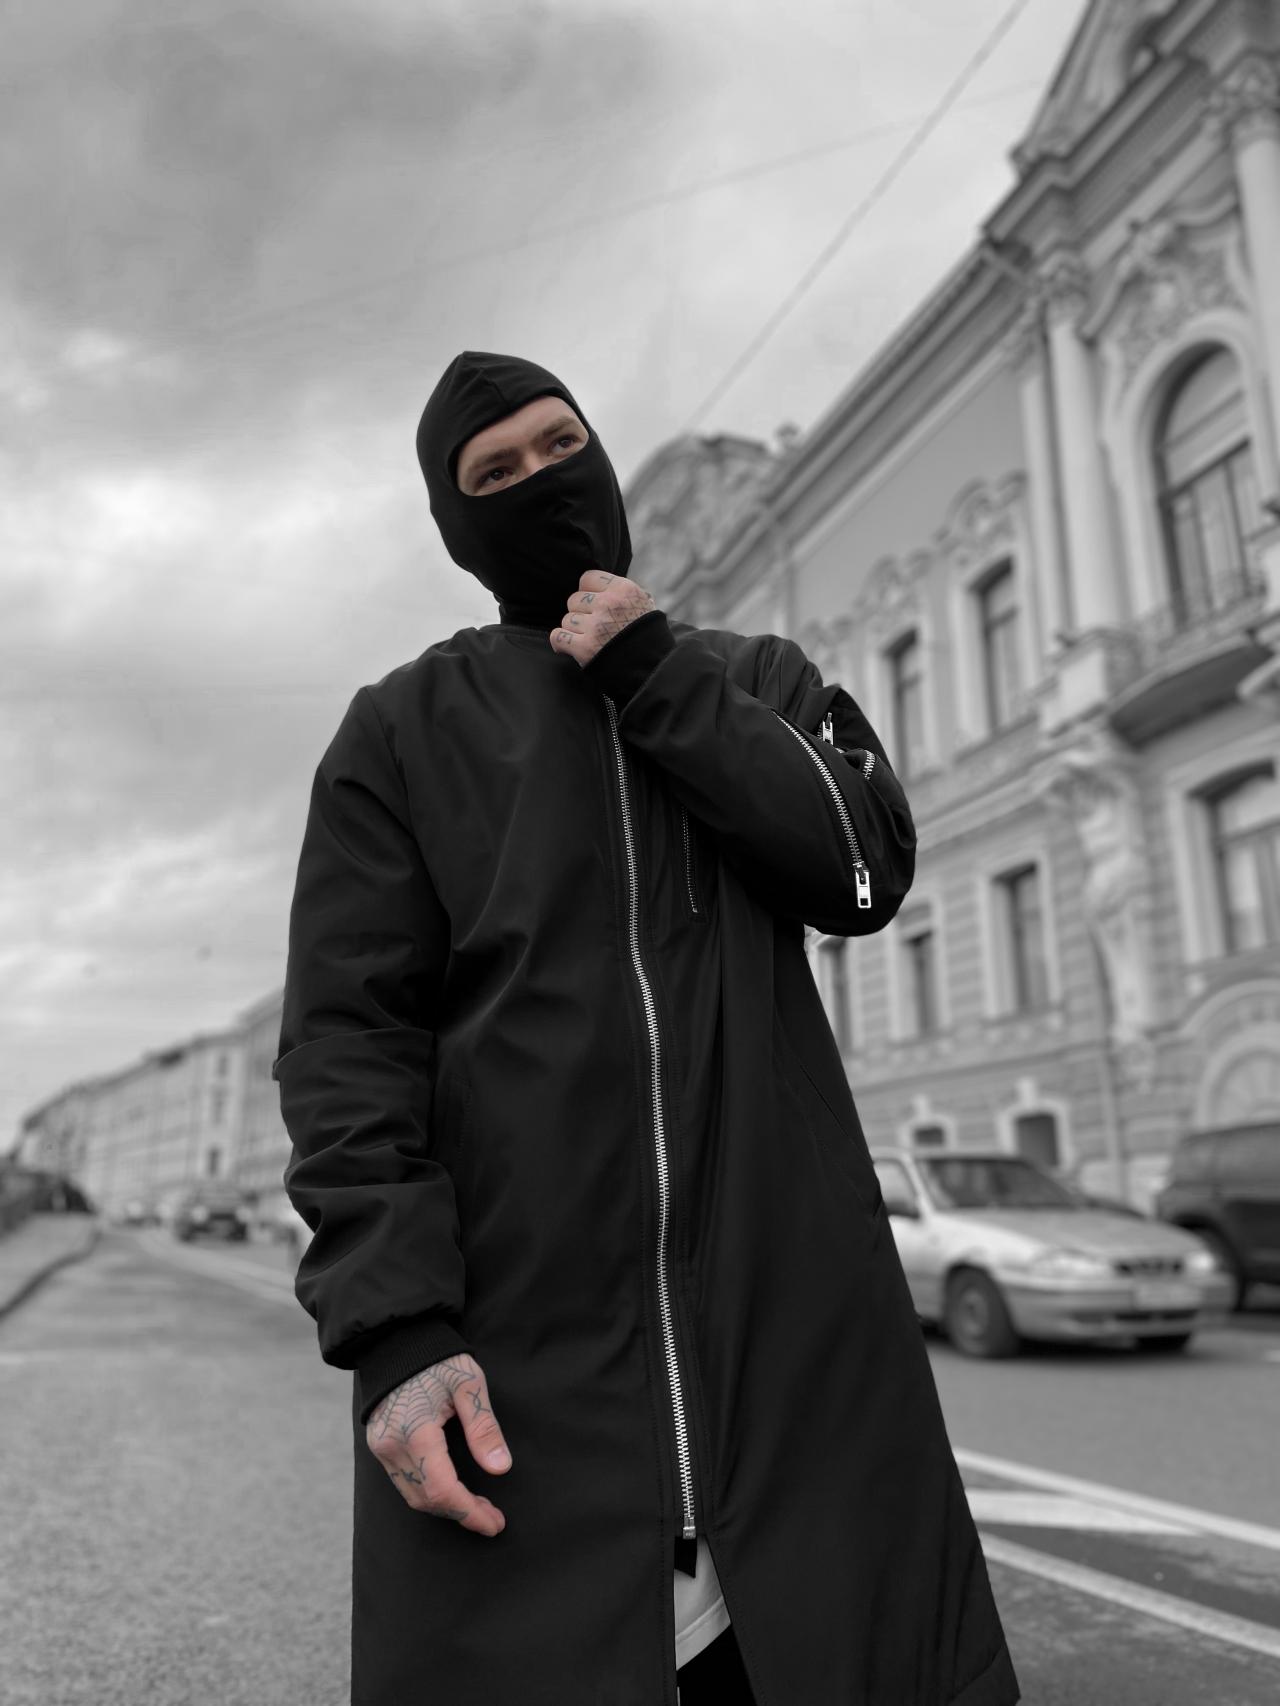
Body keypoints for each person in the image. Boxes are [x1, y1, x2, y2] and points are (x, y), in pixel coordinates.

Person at [273, 349, 1021, 1706]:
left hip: (795, 1359)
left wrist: (654, 676)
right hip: (519, 1379)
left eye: (560, 446)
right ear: (456, 528)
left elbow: (862, 871)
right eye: (495, 473)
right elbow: (348, 1044)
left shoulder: (754, 679)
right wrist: (394, 1333)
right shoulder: (400, 732)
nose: (539, 482)